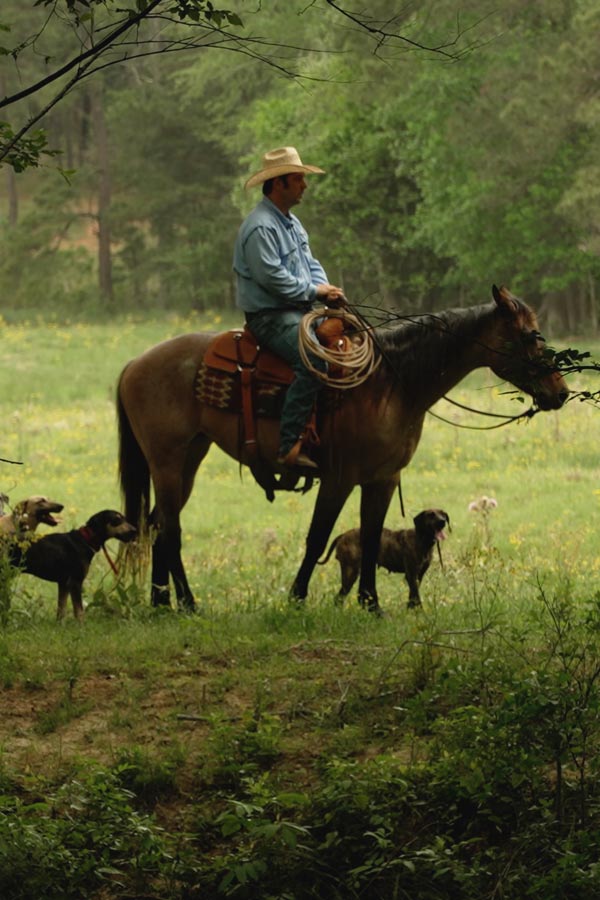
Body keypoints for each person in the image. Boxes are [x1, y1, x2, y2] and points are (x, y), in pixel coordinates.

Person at [233, 146, 345, 470]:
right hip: (269, 316)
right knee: (314, 360)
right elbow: (273, 279)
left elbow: (311, 264)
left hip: (298, 309)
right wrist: (315, 290)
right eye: (299, 180)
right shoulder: (260, 227)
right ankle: (289, 445)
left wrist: (327, 290)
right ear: (280, 183)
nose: (304, 186)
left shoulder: (292, 223)